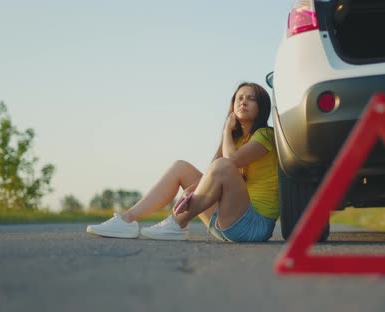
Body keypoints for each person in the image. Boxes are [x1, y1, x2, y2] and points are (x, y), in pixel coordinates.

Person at [86, 82, 278, 242]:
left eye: (251, 98)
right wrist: (193, 189)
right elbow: (212, 177)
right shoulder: (233, 142)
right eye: (239, 98)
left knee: (222, 165)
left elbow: (230, 162)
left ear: (261, 107)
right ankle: (127, 220)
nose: (243, 102)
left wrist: (226, 130)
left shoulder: (266, 136)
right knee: (181, 167)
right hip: (223, 222)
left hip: (254, 227)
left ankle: (176, 223)